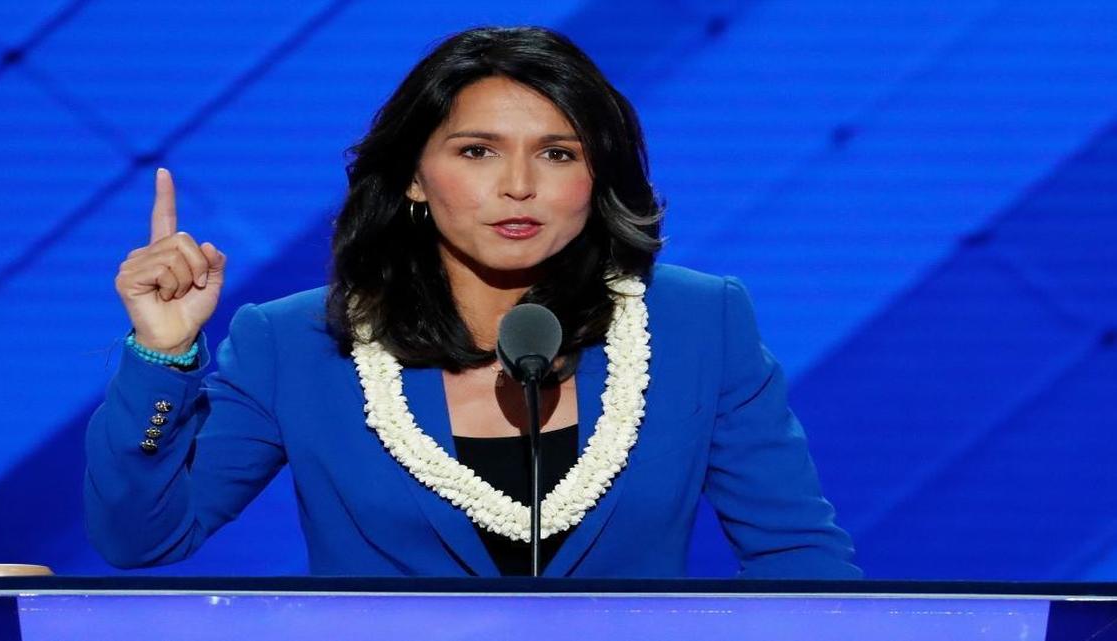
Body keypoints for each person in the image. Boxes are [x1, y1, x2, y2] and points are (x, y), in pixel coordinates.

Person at [86, 26, 860, 579]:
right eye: (477, 151)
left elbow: (800, 558)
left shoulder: (699, 324)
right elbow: (145, 541)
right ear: (415, 176)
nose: (518, 186)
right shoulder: (294, 342)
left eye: (557, 153)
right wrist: (161, 353)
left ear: (597, 179)